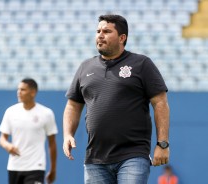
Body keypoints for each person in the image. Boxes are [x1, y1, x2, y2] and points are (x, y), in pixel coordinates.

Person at [63, 14, 170, 184]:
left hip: (132, 156)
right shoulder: (85, 67)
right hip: (95, 159)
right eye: (98, 31)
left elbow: (160, 103)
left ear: (122, 37)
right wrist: (68, 134)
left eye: (106, 31)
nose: (100, 35)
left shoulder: (141, 64)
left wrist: (162, 144)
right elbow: (73, 105)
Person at [0, 78, 58, 184]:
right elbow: (2, 138)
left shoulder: (46, 113)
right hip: (14, 166)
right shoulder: (10, 112)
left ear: (33, 92)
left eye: (23, 90)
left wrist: (53, 169)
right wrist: (7, 146)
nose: (19, 92)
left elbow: (52, 143)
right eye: (18, 89)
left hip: (36, 167)